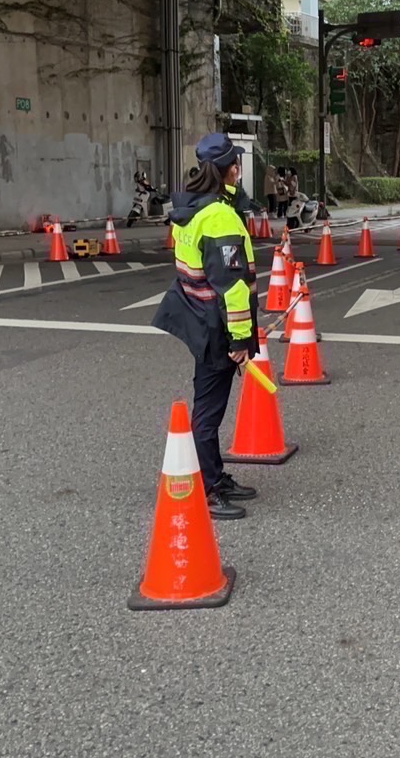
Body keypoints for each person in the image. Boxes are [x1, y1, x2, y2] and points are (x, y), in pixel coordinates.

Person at [153, 133, 260, 520]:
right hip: (217, 325)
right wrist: (240, 339)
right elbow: (232, 286)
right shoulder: (218, 216)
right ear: (232, 169)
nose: (240, 169)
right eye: (238, 164)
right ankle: (207, 488)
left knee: (207, 404)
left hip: (198, 315)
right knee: (208, 412)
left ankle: (215, 475)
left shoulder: (194, 207)